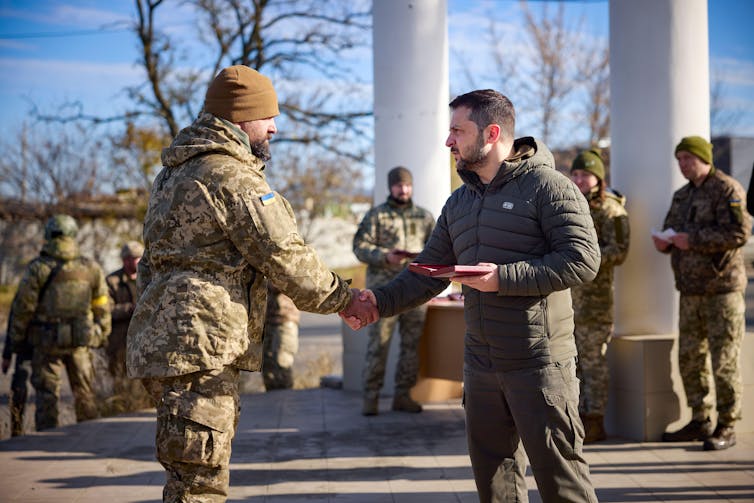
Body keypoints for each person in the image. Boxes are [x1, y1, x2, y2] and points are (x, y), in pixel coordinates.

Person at [126, 65, 373, 502]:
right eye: (267, 116)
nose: (274, 127)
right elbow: (284, 256)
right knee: (200, 484)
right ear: (240, 117)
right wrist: (345, 299)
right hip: (201, 346)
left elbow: (151, 262)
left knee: (188, 473)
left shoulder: (173, 174)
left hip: (170, 341)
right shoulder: (231, 176)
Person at [351, 89, 600, 502]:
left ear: (492, 132)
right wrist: (377, 302)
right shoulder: (460, 202)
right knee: (495, 486)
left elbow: (582, 260)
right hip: (481, 365)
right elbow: (427, 272)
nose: (448, 141)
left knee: (563, 486)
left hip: (539, 366)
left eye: (457, 131)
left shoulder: (549, 187)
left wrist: (503, 278)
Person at [653, 135, 751, 451]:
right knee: (690, 357)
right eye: (679, 159)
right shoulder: (682, 195)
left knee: (723, 360)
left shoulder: (726, 188)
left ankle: (727, 424)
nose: (682, 165)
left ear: (704, 158)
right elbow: (672, 231)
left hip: (721, 291)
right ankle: (700, 419)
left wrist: (691, 239)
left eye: (688, 159)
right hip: (690, 290)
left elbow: (739, 232)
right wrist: (665, 243)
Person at [7, 214, 111, 431]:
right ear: (73, 235)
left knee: (47, 397)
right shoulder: (90, 268)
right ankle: (91, 440)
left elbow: (22, 310)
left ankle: (49, 440)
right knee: (85, 394)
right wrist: (100, 334)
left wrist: (15, 343)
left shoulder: (38, 268)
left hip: (46, 344)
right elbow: (102, 305)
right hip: (81, 342)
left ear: (48, 235)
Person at [352, 166, 435, 416]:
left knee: (412, 345)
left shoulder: (425, 217)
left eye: (407, 185)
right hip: (383, 292)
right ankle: (371, 396)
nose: (404, 189)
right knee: (379, 344)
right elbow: (359, 246)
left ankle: (403, 394)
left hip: (415, 291)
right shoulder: (377, 216)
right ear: (391, 187)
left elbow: (437, 248)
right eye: (399, 185)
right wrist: (385, 256)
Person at [569, 148, 630, 443]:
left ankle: (595, 420)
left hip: (595, 303)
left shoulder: (611, 210)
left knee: (593, 364)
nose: (579, 179)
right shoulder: (569, 206)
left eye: (586, 174)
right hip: (569, 303)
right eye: (576, 174)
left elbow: (620, 251)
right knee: (575, 364)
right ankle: (578, 417)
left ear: (598, 178)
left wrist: (584, 257)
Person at [103, 241, 153, 414]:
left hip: (145, 340)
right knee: (120, 381)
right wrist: (130, 309)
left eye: (139, 258)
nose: (137, 262)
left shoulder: (150, 277)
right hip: (119, 342)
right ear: (125, 260)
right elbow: (105, 310)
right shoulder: (112, 281)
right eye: (132, 259)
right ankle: (120, 412)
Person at [262, 284, 300, 390]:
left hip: (284, 320)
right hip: (267, 321)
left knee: (282, 366)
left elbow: (285, 281)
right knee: (269, 370)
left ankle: (284, 404)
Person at [2, 315, 32, 436]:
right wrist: (7, 354)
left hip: (50, 345)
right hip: (28, 345)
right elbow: (15, 317)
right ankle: (16, 430)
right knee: (19, 387)